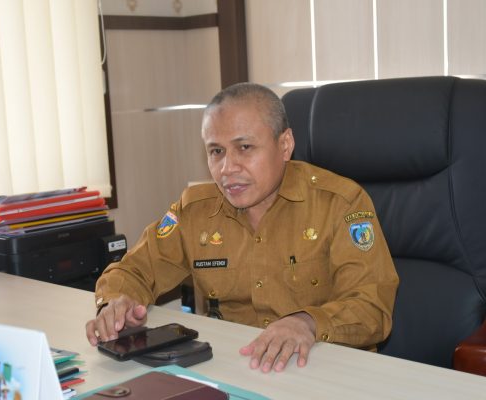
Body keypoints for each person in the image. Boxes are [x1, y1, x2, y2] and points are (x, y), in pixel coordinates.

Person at [85, 82, 399, 372]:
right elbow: (134, 270)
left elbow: (372, 308)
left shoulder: (341, 203)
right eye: (216, 151)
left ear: (285, 144)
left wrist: (308, 323)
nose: (227, 168)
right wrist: (116, 303)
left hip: (323, 372)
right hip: (234, 369)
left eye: (245, 147)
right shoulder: (194, 211)